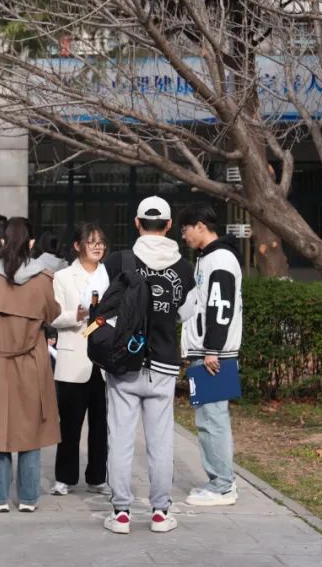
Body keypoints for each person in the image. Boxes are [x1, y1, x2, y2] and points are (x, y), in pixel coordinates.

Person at [84, 196, 196, 534]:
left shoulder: (118, 261)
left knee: (120, 439)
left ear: (136, 223)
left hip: (124, 363)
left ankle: (121, 513)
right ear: (169, 225)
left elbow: (96, 305)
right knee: (161, 442)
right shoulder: (184, 269)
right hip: (163, 364)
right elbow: (186, 313)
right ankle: (160, 512)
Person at [0, 217, 61, 513]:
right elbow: (53, 314)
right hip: (32, 360)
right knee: (31, 429)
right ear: (31, 243)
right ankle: (29, 497)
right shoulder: (43, 279)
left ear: (3, 241)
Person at [179, 203, 244, 507]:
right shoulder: (209, 258)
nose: (184, 236)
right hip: (210, 352)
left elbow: (220, 307)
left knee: (212, 420)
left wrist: (211, 350)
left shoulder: (219, 259)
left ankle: (222, 486)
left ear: (200, 226)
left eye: (185, 229)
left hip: (214, 355)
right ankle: (221, 481)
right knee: (209, 418)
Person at [49, 223, 110, 497]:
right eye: (91, 242)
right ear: (77, 246)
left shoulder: (110, 275)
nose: (98, 246)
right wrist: (78, 314)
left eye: (101, 242)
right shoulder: (63, 277)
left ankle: (97, 477)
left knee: (101, 425)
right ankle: (65, 477)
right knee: (70, 424)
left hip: (105, 361)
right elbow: (53, 316)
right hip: (74, 358)